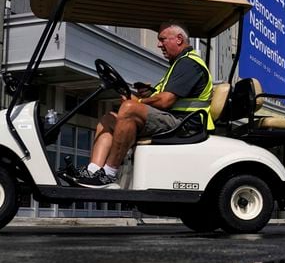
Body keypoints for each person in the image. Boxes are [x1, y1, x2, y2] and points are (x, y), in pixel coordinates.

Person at [74, 21, 213, 188]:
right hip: (173, 119)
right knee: (108, 119)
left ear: (179, 39)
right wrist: (144, 95)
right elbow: (160, 97)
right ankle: (93, 171)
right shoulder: (179, 64)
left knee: (129, 109)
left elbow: (165, 100)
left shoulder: (189, 63)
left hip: (185, 124)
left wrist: (137, 102)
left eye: (162, 39)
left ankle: (109, 174)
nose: (158, 44)